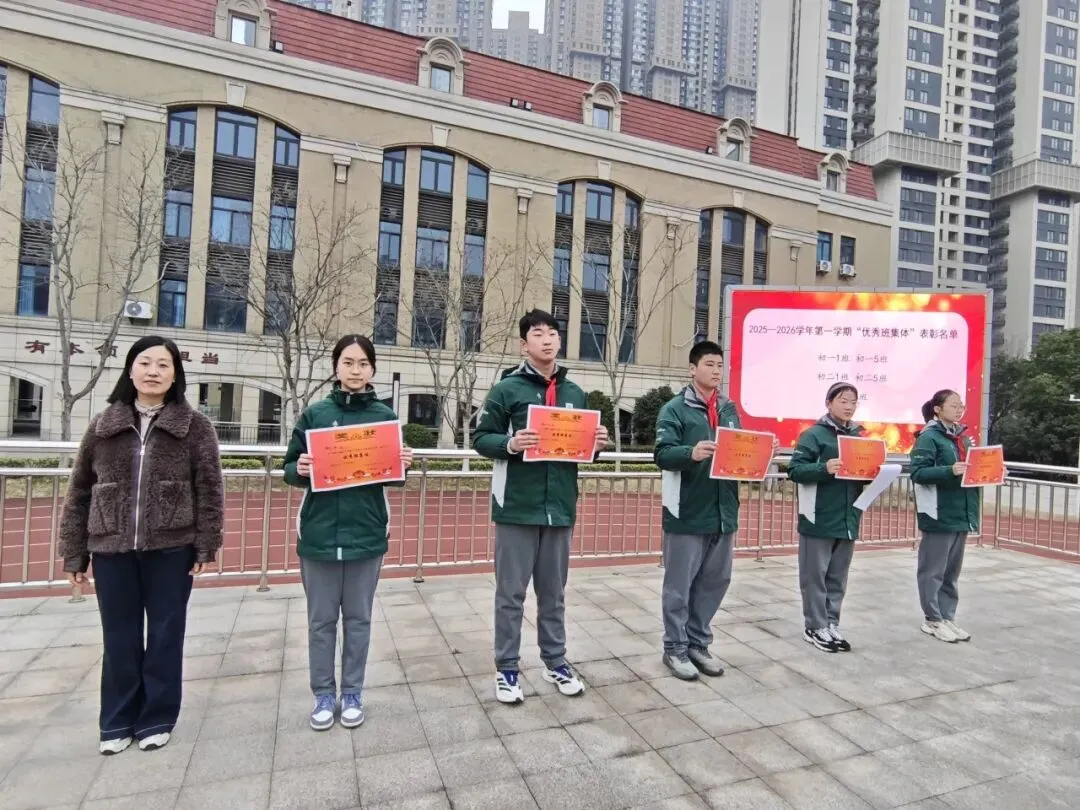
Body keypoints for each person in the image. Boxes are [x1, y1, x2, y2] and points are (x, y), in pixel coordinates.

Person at [59, 336, 224, 755]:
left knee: (166, 635)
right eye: (145, 362)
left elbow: (209, 489)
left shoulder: (195, 427)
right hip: (110, 548)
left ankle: (157, 717)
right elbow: (80, 491)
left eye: (164, 365)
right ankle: (116, 721)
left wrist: (206, 544)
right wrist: (75, 552)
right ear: (130, 370)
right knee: (119, 636)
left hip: (171, 547)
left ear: (175, 374)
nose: (154, 371)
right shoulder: (103, 426)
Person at [474, 309, 609, 704]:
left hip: (559, 507)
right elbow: (481, 437)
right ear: (524, 344)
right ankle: (507, 668)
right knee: (510, 594)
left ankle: (555, 660)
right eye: (538, 333)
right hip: (518, 507)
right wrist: (510, 444)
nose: (547, 339)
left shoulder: (575, 393)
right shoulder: (506, 390)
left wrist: (595, 446)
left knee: (554, 594)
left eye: (552, 333)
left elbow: (580, 452)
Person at [283, 335, 413, 731]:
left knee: (358, 620)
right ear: (336, 367)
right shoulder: (316, 414)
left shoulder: (384, 416)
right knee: (321, 622)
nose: (355, 370)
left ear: (372, 369)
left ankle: (352, 692)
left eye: (363, 364)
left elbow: (394, 478)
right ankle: (324, 694)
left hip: (366, 533)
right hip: (319, 534)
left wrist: (402, 463)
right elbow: (290, 467)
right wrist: (299, 469)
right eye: (348, 362)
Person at [653, 341, 739, 681]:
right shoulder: (674, 410)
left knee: (715, 582)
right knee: (679, 586)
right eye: (709, 364)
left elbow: (738, 449)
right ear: (692, 369)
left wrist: (761, 452)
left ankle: (698, 643)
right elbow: (662, 453)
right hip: (687, 512)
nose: (716, 371)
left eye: (720, 365)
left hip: (723, 511)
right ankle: (675, 647)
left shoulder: (728, 409)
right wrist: (690, 453)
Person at [788, 382, 866, 654]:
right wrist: (824, 468)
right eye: (843, 400)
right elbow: (796, 470)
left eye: (853, 402)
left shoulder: (859, 437)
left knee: (837, 578)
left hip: (848, 517)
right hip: (819, 517)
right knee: (815, 576)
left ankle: (831, 622)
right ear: (829, 403)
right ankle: (815, 626)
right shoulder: (813, 435)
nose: (849, 406)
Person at [909, 389, 977, 644]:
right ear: (937, 409)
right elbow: (918, 473)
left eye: (961, 406)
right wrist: (949, 471)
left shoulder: (962, 438)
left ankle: (947, 616)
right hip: (938, 512)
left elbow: (972, 468)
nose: (959, 410)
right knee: (933, 570)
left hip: (961, 511)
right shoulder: (929, 438)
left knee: (951, 572)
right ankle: (932, 619)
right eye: (954, 405)